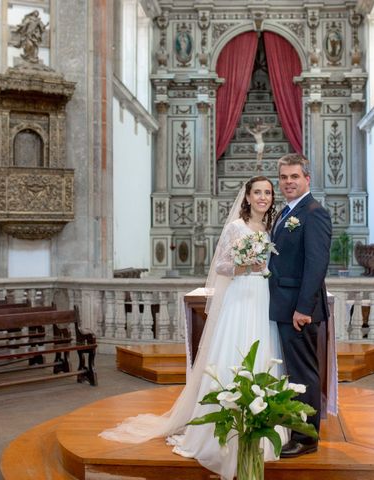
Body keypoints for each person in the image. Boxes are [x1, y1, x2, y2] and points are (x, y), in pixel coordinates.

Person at [100, 176, 286, 480]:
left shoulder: (271, 228)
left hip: (263, 299)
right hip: (240, 299)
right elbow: (221, 267)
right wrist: (244, 264)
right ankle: (222, 431)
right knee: (234, 357)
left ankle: (262, 430)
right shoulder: (235, 228)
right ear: (248, 197)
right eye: (257, 193)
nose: (263, 197)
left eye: (267, 192)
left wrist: (260, 266)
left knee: (265, 355)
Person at [268, 153, 333, 458]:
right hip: (285, 305)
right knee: (293, 373)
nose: (288, 182)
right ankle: (295, 428)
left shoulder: (313, 212)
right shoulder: (286, 212)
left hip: (299, 310)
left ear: (307, 178)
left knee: (304, 373)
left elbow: (316, 264)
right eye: (283, 177)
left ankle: (307, 438)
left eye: (294, 176)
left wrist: (304, 308)